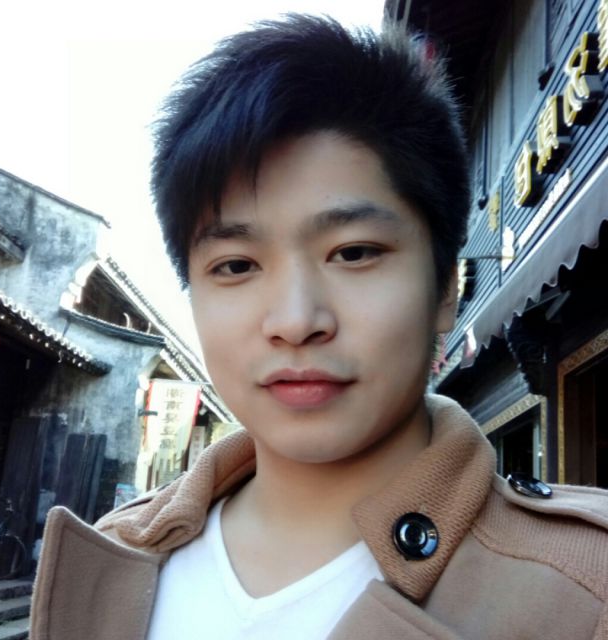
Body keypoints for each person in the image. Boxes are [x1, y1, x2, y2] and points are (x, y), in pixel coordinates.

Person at [30, 14, 608, 640]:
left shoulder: (586, 587)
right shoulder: (113, 553)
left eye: (353, 253)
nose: (295, 322)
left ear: (446, 286)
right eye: (236, 265)